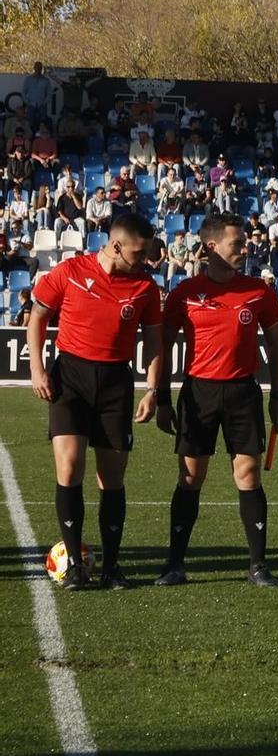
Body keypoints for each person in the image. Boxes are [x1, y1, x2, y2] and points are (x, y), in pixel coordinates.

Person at [26, 211, 166, 589]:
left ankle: (111, 566)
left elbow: (154, 342)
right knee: (69, 468)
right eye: (138, 254)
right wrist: (38, 370)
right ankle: (74, 565)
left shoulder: (145, 289)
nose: (144, 261)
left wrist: (152, 390)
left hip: (116, 382)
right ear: (116, 245)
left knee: (111, 477)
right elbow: (37, 317)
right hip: (69, 378)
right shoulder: (70, 272)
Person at [155, 214, 278, 587]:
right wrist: (162, 400)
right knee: (190, 477)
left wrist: (277, 394)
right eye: (237, 244)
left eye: (245, 243)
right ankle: (174, 564)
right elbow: (163, 348)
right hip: (198, 393)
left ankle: (258, 565)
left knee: (248, 475)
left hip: (244, 393)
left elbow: (276, 346)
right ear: (212, 247)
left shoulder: (259, 291)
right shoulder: (185, 293)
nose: (245, 250)